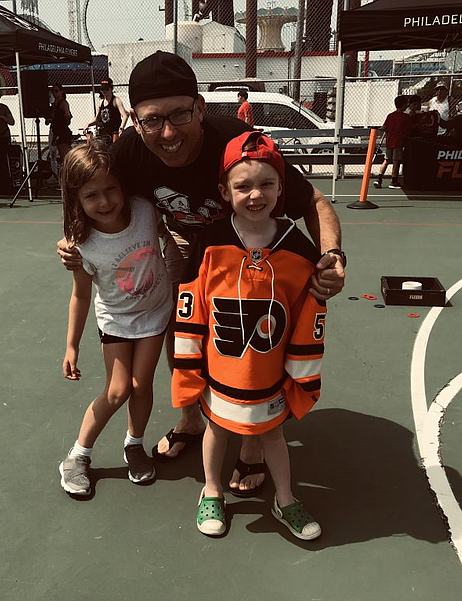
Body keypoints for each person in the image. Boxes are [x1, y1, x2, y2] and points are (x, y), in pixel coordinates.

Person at [56, 51, 345, 496]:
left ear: (201, 108)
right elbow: (91, 193)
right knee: (185, 330)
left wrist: (332, 256)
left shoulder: (238, 142)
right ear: (135, 120)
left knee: (247, 335)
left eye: (180, 114)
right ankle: (193, 417)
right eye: (154, 120)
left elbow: (315, 203)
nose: (168, 132)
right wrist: (72, 240)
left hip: (243, 242)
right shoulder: (129, 151)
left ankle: (250, 441)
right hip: (184, 242)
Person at [172, 131, 324, 538]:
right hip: (222, 370)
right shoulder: (208, 242)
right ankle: (212, 490)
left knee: (273, 433)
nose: (256, 195)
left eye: (267, 184)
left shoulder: (299, 247)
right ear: (224, 190)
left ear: (281, 188)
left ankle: (285, 498)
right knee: (216, 429)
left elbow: (311, 312)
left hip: (268, 371)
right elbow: (191, 307)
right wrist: (188, 367)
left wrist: (301, 372)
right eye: (243, 186)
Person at [57, 141, 173, 497]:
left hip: (156, 312)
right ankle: (77, 455)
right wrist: (71, 346)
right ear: (76, 199)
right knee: (118, 390)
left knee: (141, 386)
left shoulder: (144, 210)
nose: (105, 202)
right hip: (117, 320)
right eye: (92, 195)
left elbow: (169, 231)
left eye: (111, 189)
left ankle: (134, 444)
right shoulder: (81, 244)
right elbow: (80, 294)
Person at [374, 95, 411, 189]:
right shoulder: (405, 117)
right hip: (398, 142)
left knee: (386, 160)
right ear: (403, 105)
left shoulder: (390, 115)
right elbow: (409, 128)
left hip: (389, 142)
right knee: (396, 161)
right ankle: (394, 182)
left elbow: (384, 127)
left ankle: (379, 179)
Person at [84, 78, 129, 145]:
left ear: (111, 89)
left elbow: (125, 115)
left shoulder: (116, 100)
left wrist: (121, 128)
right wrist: (88, 124)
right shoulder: (101, 102)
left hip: (114, 133)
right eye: (102, 89)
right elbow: (97, 119)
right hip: (104, 134)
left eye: (106, 89)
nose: (104, 91)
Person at [49, 84, 74, 168]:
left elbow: (67, 118)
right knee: (55, 154)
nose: (54, 94)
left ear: (61, 92)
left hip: (62, 132)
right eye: (53, 91)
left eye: (56, 91)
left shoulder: (63, 103)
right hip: (56, 131)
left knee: (64, 157)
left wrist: (67, 116)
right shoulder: (54, 105)